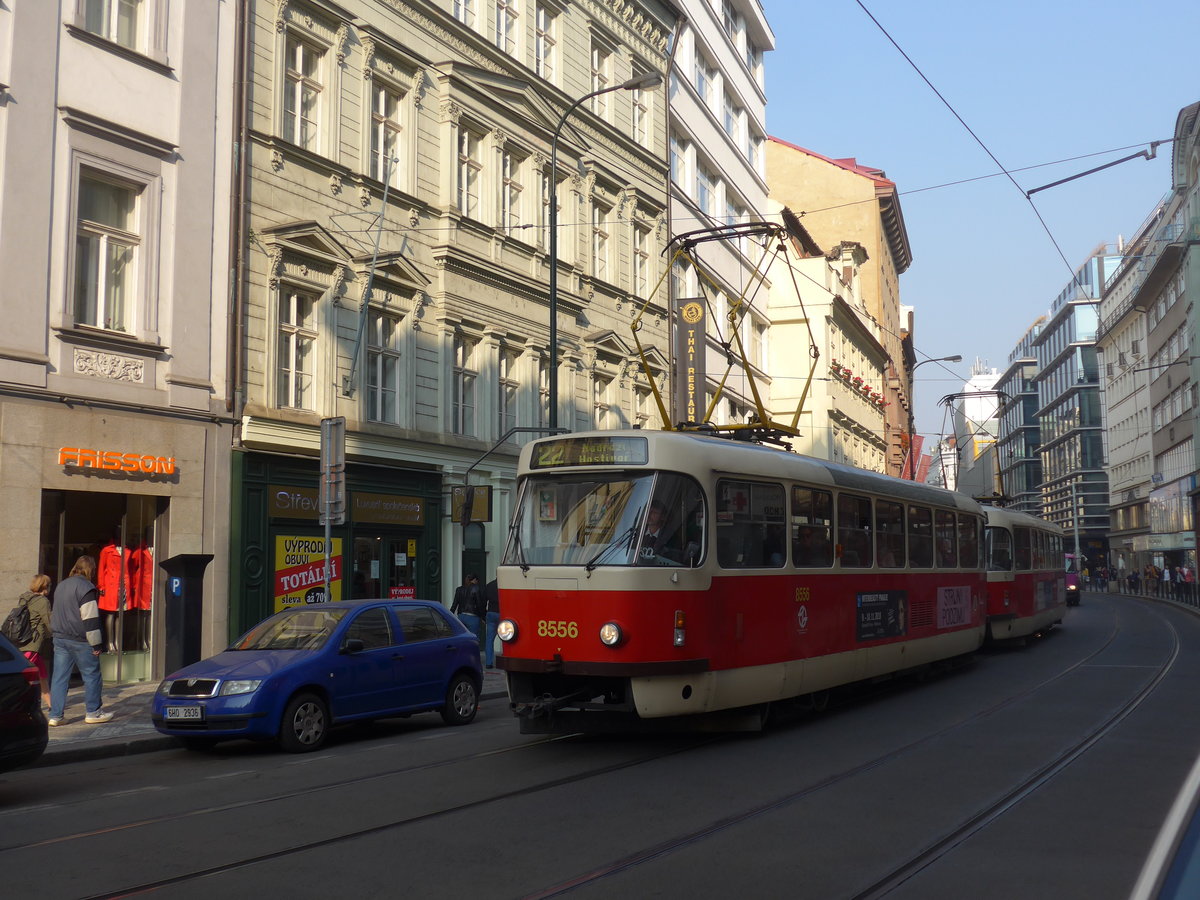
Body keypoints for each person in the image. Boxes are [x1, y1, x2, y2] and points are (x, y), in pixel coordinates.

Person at [48, 556, 113, 726]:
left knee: (59, 677)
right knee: (92, 675)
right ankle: (93, 712)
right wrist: (97, 644)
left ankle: (55, 716)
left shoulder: (61, 585)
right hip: (80, 639)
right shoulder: (86, 587)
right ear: (91, 569)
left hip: (60, 637)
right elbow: (90, 618)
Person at [16, 574, 53, 710]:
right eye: (49, 585)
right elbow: (49, 623)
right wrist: (54, 636)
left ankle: (51, 705)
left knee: (42, 675)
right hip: (33, 644)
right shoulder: (43, 601)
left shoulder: (24, 598)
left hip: (21, 641)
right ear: (45, 586)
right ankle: (22, 704)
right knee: (26, 677)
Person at [451, 574, 484, 650]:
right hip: (473, 617)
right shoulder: (476, 588)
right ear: (474, 580)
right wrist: (483, 617)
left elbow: (454, 604)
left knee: (462, 639)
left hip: (461, 616)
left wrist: (450, 615)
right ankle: (473, 659)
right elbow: (479, 604)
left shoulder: (459, 589)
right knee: (473, 640)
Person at [484, 578, 500, 669]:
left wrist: (484, 613)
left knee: (489, 640)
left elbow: (484, 600)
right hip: (502, 613)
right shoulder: (506, 583)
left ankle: (488, 663)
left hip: (491, 612)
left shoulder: (489, 585)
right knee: (507, 638)